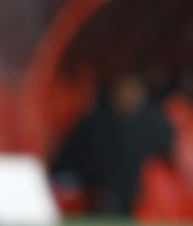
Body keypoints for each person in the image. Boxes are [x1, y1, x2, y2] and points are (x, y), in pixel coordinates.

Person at [50, 73, 176, 218]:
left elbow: (166, 151)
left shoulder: (151, 121)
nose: (128, 96)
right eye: (124, 91)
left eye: (133, 92)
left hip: (131, 186)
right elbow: (77, 154)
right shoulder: (96, 121)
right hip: (92, 179)